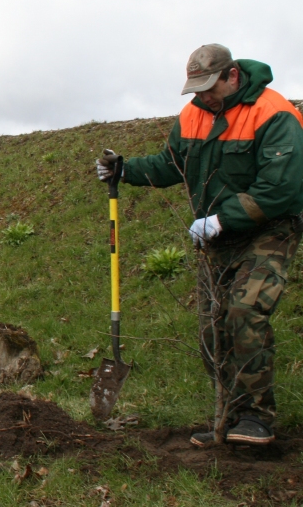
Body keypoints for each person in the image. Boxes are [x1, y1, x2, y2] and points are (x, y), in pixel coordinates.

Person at [97, 44, 303, 446]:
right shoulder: (193, 114)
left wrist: (224, 218)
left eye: (209, 87)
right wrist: (125, 168)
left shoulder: (274, 113)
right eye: (195, 88)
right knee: (212, 330)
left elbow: (282, 188)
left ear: (232, 76)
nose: (202, 96)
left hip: (268, 230)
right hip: (216, 239)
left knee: (244, 312)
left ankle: (257, 417)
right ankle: (227, 417)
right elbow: (171, 163)